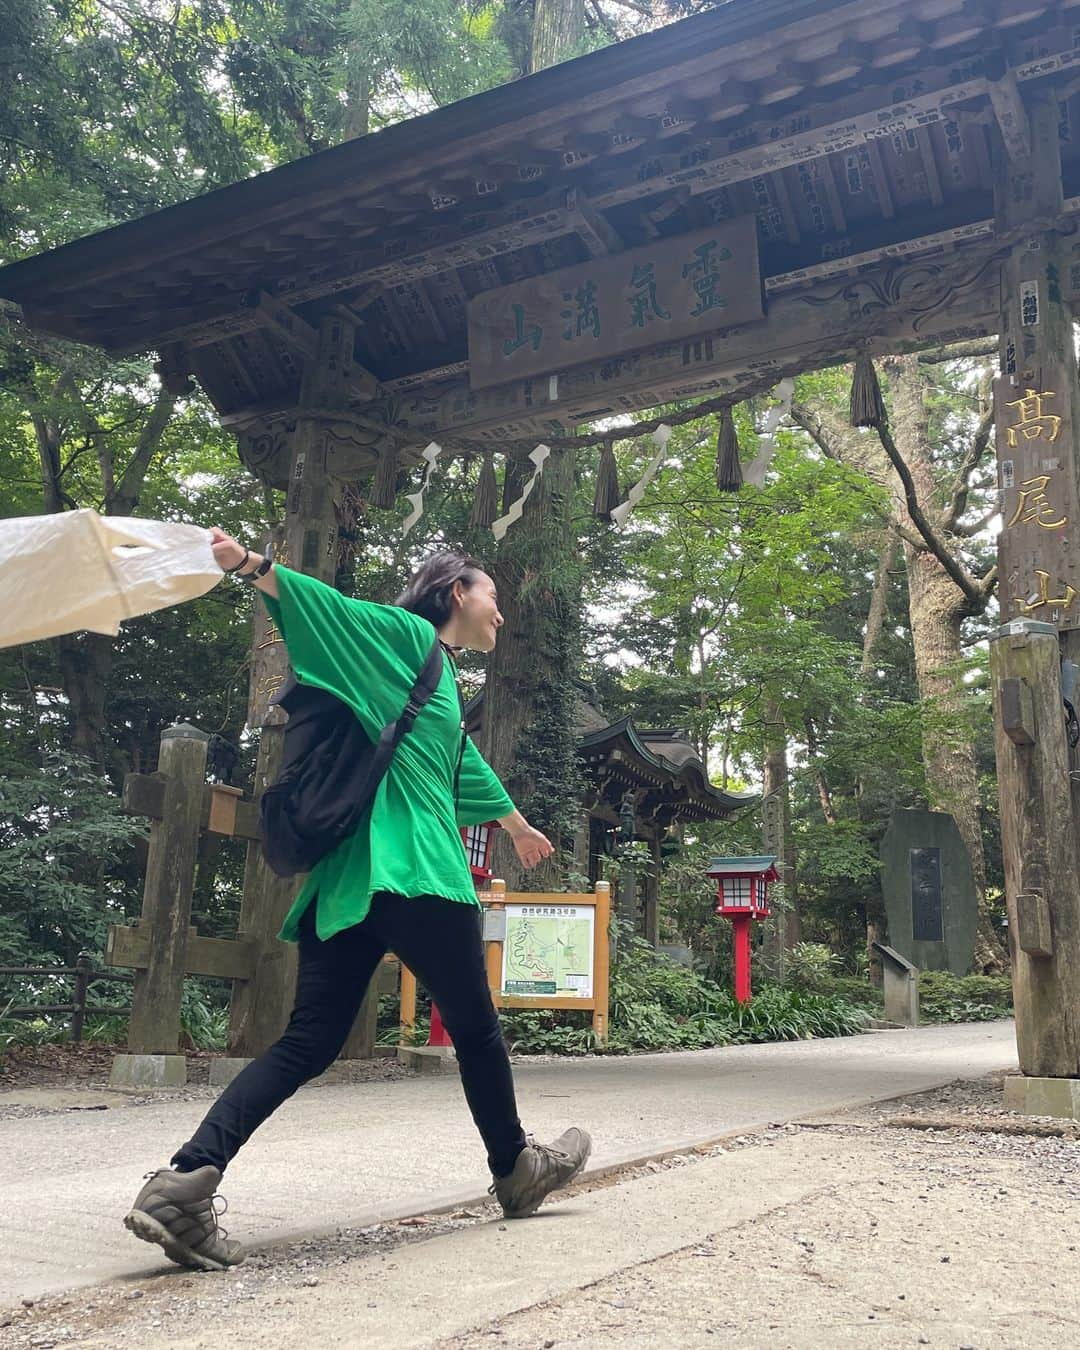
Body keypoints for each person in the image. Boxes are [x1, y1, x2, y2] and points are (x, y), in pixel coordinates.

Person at [124, 531, 591, 1272]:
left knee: (307, 1043)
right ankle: (517, 1171)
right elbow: (336, 613)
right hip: (413, 872)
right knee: (475, 1028)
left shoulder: (431, 677)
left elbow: (453, 760)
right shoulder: (408, 636)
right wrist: (255, 567)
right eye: (492, 598)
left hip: (349, 885)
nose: (501, 615)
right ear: (456, 594)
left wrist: (513, 822)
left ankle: (182, 1181)